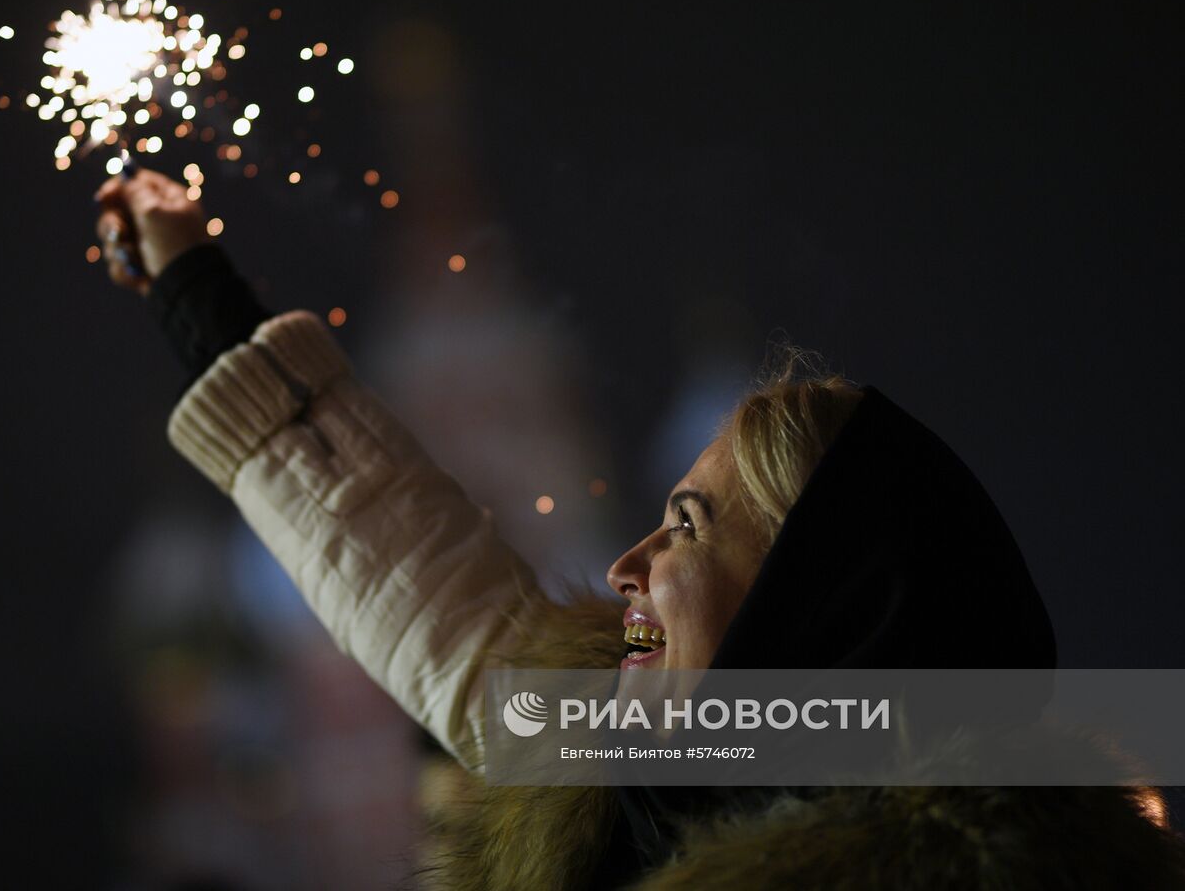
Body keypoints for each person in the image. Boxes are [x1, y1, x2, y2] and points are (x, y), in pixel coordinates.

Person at [95, 170, 1185, 888]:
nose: (626, 565)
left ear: (810, 605)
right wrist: (199, 292)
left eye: (689, 528)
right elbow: (427, 587)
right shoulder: (619, 779)